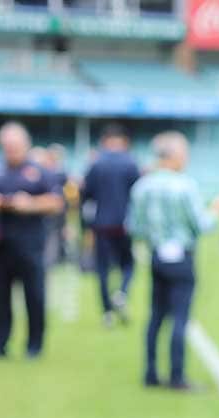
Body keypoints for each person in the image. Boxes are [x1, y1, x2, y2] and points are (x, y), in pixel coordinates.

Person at [126, 132, 219, 390]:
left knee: (155, 316)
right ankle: (177, 375)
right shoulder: (185, 186)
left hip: (157, 255)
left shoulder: (142, 186)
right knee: (180, 317)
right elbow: (202, 224)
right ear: (174, 156)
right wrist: (217, 208)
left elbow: (134, 227)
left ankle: (150, 372)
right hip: (181, 257)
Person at [0, 122, 64, 358]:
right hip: (0, 245)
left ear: (25, 145)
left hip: (31, 244)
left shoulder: (40, 172)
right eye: (7, 146)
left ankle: (34, 345)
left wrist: (29, 204)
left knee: (34, 296)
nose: (11, 150)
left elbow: (57, 202)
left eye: (15, 146)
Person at [81, 123, 141, 326]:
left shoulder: (96, 164)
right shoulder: (131, 163)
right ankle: (122, 291)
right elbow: (138, 194)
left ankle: (107, 312)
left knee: (103, 269)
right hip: (124, 224)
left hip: (102, 224)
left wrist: (85, 226)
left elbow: (86, 194)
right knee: (128, 264)